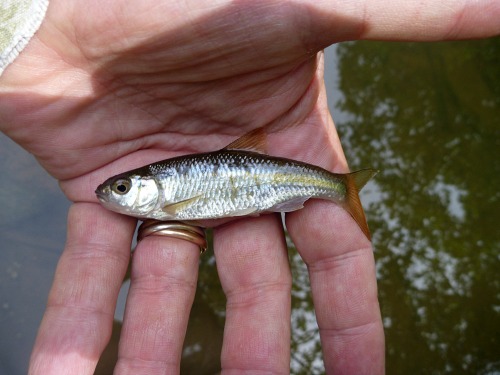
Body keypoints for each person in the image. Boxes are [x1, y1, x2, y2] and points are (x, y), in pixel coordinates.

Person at [1, 1, 498, 373]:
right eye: (123, 189)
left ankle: (342, 189)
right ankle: (341, 189)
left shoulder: (170, 198)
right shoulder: (167, 194)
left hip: (276, 181)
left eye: (126, 188)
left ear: (151, 187)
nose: (115, 195)